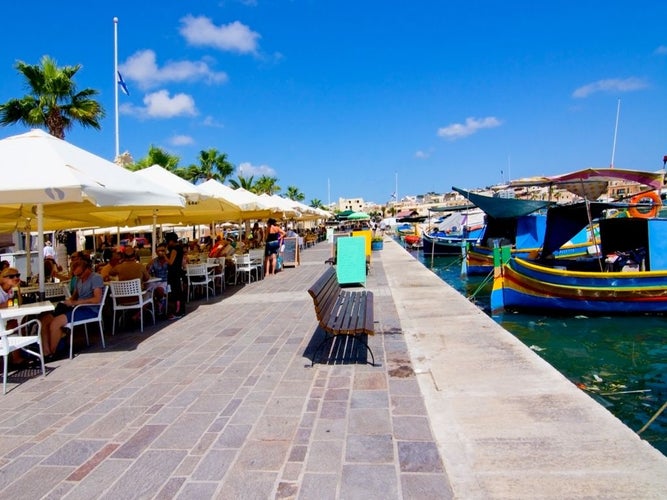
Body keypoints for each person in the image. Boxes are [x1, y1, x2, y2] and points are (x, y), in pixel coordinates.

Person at [40, 256, 104, 359]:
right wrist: (69, 301)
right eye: (76, 275)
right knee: (45, 319)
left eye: (80, 274)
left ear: (87, 269)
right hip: (77, 307)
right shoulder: (79, 280)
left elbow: (97, 300)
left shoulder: (96, 278)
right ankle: (46, 351)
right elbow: (74, 296)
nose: (78, 277)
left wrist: (76, 302)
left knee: (56, 322)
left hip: (89, 309)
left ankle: (52, 352)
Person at [164, 232, 186, 319]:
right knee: (178, 292)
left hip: (174, 272)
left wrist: (164, 255)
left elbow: (170, 262)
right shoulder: (180, 248)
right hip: (178, 271)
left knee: (176, 292)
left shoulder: (174, 249)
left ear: (171, 240)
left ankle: (178, 312)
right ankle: (181, 310)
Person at [147, 243, 169, 314]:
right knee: (147, 289)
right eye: (159, 251)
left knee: (159, 290)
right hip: (156, 280)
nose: (161, 252)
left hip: (166, 280)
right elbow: (148, 271)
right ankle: (159, 303)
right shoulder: (154, 261)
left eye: (163, 250)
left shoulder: (169, 260)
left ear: (165, 251)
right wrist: (149, 265)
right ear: (156, 252)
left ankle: (159, 303)